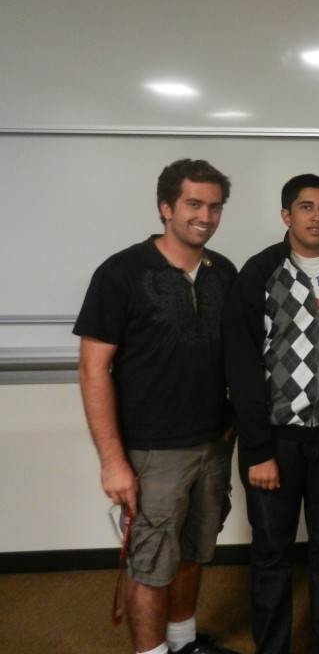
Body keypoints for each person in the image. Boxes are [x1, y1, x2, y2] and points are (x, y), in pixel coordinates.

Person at [74, 159, 238, 654]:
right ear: (166, 207)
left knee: (193, 552)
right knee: (151, 562)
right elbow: (92, 369)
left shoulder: (224, 272)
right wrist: (112, 461)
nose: (205, 216)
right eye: (193, 203)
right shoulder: (121, 272)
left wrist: (231, 422)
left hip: (212, 444)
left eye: (214, 206)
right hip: (150, 452)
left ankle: (183, 642)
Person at [225, 174, 319, 654]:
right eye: (306, 207)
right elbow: (242, 367)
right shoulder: (259, 273)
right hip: (277, 440)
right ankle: (273, 648)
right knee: (272, 554)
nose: (317, 216)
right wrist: (257, 449)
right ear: (286, 215)